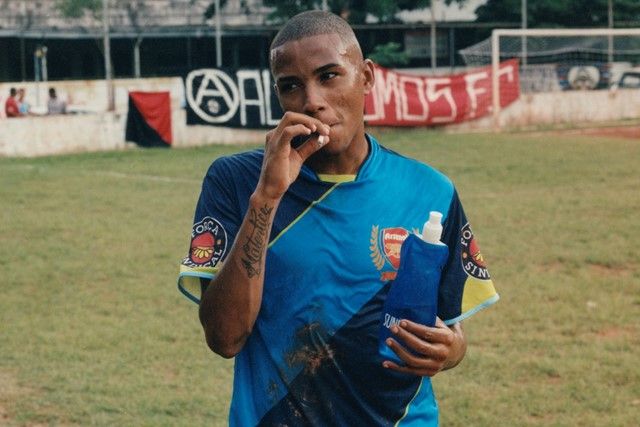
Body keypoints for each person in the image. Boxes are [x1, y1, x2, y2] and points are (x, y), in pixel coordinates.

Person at [178, 10, 499, 426]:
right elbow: (224, 338)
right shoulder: (237, 181)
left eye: (329, 76)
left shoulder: (430, 190)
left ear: (365, 77)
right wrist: (267, 197)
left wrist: (450, 350)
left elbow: (450, 331)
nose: (311, 100)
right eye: (290, 86)